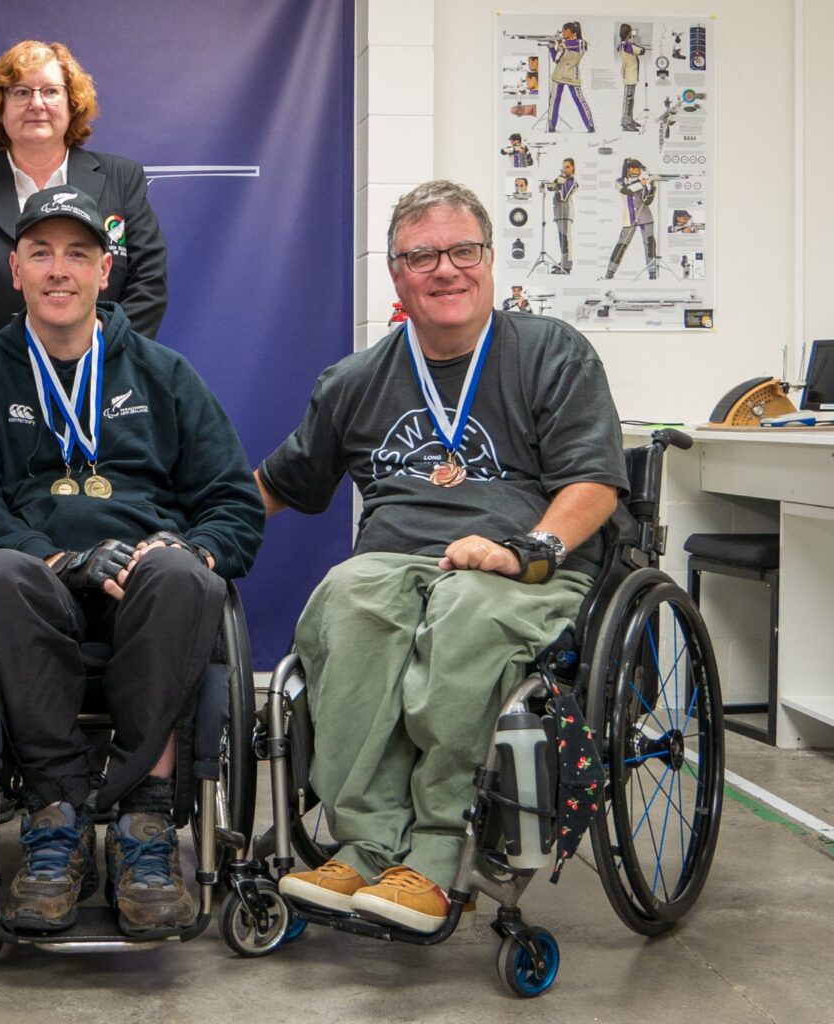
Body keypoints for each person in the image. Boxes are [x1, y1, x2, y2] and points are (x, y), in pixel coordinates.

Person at [255, 179, 625, 934]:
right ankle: (363, 846)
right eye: (422, 255)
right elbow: (274, 483)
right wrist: (185, 531)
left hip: (523, 566)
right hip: (396, 559)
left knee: (464, 608)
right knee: (349, 597)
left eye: (463, 251)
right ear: (396, 274)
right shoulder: (356, 380)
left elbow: (593, 484)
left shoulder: (550, 351)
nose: (445, 269)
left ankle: (432, 853)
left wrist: (527, 550)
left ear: (489, 260)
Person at [0, 185, 263, 937]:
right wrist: (65, 559)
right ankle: (59, 817)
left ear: (105, 272)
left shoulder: (164, 374)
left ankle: (147, 821)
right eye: (42, 253)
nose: (60, 271)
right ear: (14, 269)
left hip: (145, 584)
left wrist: (182, 545)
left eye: (77, 254)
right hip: (38, 581)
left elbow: (232, 504)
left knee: (185, 575)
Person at [0, 40, 168, 374]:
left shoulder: (121, 179)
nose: (36, 104)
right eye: (21, 92)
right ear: (0, 107)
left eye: (51, 91)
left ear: (72, 104)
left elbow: (149, 279)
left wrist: (102, 359)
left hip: (104, 383)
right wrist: (0, 371)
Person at [604, 157, 658, 279]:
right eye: (636, 168)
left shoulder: (641, 182)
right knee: (621, 245)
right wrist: (641, 184)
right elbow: (626, 190)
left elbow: (647, 201)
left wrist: (653, 186)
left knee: (649, 245)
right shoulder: (619, 181)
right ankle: (610, 272)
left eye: (639, 169)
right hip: (629, 219)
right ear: (628, 169)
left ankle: (652, 273)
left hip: (646, 218)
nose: (638, 171)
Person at [547, 21, 595, 132]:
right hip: (559, 73)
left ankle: (590, 125)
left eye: (563, 30)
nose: (562, 33)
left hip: (572, 74)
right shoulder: (564, 43)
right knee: (554, 100)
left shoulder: (581, 43)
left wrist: (560, 43)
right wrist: (551, 47)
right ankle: (551, 125)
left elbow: (576, 44)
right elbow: (556, 59)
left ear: (569, 31)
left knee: (580, 100)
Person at [546, 157, 579, 273]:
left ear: (573, 167)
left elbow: (563, 196)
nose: (565, 169)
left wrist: (559, 184)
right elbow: (550, 188)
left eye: (568, 167)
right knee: (561, 239)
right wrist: (555, 183)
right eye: (563, 167)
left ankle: (567, 267)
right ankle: (563, 261)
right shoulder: (562, 179)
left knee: (566, 239)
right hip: (559, 213)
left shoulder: (572, 182)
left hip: (566, 212)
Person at [617, 24, 646, 131]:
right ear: (628, 32)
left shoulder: (621, 44)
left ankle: (629, 120)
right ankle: (626, 123)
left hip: (627, 72)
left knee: (629, 99)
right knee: (628, 100)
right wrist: (632, 42)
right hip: (630, 74)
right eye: (630, 32)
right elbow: (642, 50)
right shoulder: (627, 45)